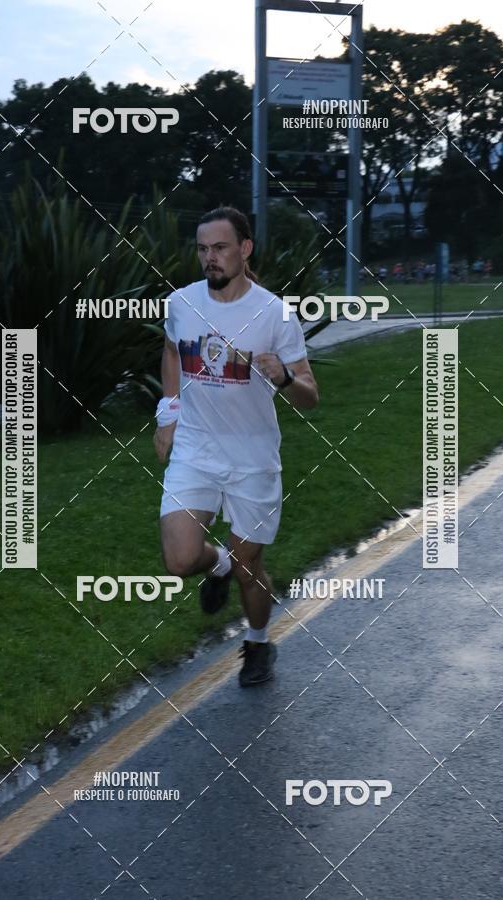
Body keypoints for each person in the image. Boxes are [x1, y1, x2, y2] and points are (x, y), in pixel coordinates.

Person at [154, 207, 319, 686]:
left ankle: (259, 642)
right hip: (196, 451)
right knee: (180, 559)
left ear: (244, 250)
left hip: (253, 460)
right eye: (203, 249)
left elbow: (310, 396)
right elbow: (170, 351)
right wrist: (168, 414)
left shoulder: (275, 314)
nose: (210, 258)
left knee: (252, 571)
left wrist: (286, 376)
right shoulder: (181, 303)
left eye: (220, 247)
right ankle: (218, 563)